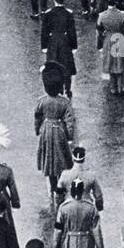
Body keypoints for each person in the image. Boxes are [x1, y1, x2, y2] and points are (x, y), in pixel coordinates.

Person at [34, 69, 76, 199]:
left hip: (46, 130)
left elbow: (37, 118)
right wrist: (69, 136)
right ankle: (60, 186)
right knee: (61, 158)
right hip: (59, 130)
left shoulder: (41, 101)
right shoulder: (64, 102)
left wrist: (37, 130)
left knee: (48, 159)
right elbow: (70, 121)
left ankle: (52, 187)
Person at [41, 0, 78, 93]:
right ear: (63, 0)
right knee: (67, 65)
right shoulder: (68, 13)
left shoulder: (48, 13)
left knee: (54, 64)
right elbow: (72, 31)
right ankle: (68, 88)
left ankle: (59, 89)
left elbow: (44, 30)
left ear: (54, 0)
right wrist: (74, 46)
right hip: (65, 41)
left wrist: (44, 46)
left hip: (52, 41)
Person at [96, 0, 124, 95]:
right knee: (119, 63)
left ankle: (113, 88)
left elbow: (98, 31)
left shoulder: (102, 16)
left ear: (107, 4)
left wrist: (99, 45)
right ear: (116, 3)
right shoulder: (121, 15)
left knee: (110, 63)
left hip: (108, 40)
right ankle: (121, 87)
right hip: (119, 38)